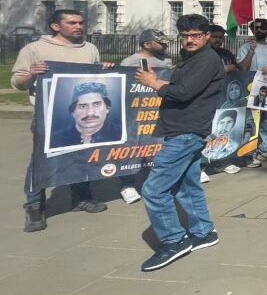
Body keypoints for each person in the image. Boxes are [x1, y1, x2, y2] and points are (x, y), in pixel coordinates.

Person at [134, 14, 223, 272]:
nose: (189, 40)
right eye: (185, 36)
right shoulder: (193, 58)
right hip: (185, 129)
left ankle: (173, 240)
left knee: (153, 190)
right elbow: (183, 85)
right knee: (187, 185)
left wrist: (153, 83)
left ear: (206, 36)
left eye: (196, 35)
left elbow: (184, 92)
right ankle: (204, 231)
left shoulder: (206, 59)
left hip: (186, 131)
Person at [14, 9, 112, 232]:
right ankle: (34, 206)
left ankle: (80, 198)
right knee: (41, 162)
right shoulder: (35, 49)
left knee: (82, 157)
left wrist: (104, 69)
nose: (79, 26)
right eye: (72, 23)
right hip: (47, 116)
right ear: (56, 26)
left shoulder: (89, 49)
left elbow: (94, 77)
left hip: (82, 117)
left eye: (81, 22)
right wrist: (31, 73)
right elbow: (18, 82)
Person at [119, 29, 174, 203]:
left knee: (158, 147)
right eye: (161, 42)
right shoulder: (131, 62)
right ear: (147, 44)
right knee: (132, 148)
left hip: (158, 110)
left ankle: (156, 183)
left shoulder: (165, 61)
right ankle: (126, 184)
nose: (165, 45)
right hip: (136, 111)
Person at [236, 19, 267, 165]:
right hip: (251, 88)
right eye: (256, 27)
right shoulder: (245, 47)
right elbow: (242, 68)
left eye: (263, 28)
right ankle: (248, 151)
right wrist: (251, 52)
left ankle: (265, 148)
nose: (259, 30)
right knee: (251, 121)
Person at [50, 82, 123, 148]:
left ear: (107, 108)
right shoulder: (54, 140)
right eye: (82, 106)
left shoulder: (122, 134)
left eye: (96, 104)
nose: (90, 113)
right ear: (73, 112)